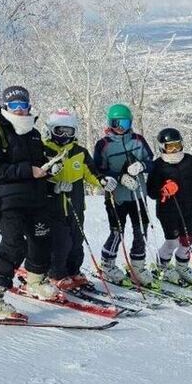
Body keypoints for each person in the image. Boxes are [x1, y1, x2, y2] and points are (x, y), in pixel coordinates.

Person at [0, 86, 57, 318]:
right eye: (14, 106)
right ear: (6, 107)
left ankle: (35, 280)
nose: (20, 110)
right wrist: (29, 170)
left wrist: (49, 170)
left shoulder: (33, 134)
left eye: (23, 105)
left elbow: (38, 165)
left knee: (42, 238)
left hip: (34, 198)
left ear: (29, 106)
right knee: (14, 244)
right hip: (6, 200)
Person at [43, 109, 117, 290]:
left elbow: (91, 172)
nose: (65, 135)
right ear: (51, 130)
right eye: (60, 131)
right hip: (53, 206)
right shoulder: (43, 150)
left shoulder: (80, 152)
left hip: (75, 205)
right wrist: (52, 184)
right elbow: (36, 176)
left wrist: (102, 181)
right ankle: (56, 273)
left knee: (77, 240)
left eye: (69, 131)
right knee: (60, 241)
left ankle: (73, 270)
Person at [94, 104, 155, 285]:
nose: (120, 127)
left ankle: (137, 267)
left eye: (125, 122)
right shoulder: (104, 144)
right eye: (116, 122)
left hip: (138, 195)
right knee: (117, 232)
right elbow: (98, 170)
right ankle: (107, 264)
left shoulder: (138, 140)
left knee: (141, 231)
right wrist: (118, 177)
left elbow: (152, 162)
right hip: (116, 196)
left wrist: (142, 166)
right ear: (110, 123)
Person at [146, 128, 192, 286]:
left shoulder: (188, 160)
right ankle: (161, 267)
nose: (175, 150)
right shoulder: (158, 165)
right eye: (170, 147)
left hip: (187, 209)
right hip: (167, 211)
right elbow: (151, 191)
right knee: (172, 242)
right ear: (163, 147)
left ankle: (182, 267)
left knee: (187, 241)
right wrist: (163, 190)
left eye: (177, 145)